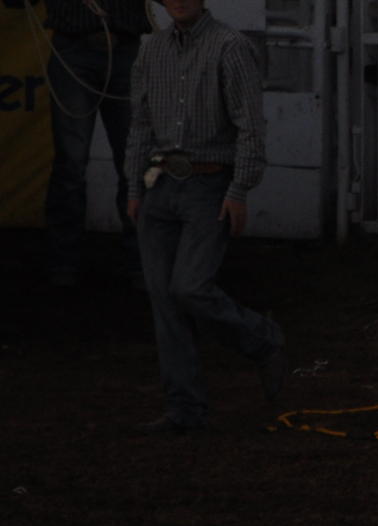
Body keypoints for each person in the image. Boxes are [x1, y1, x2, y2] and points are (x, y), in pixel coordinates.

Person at [124, 0, 286, 436]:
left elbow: (250, 124)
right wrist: (136, 186)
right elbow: (140, 121)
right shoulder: (151, 49)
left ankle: (262, 338)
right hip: (162, 183)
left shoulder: (229, 46)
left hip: (207, 184)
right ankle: (185, 410)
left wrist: (238, 190)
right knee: (165, 300)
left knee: (189, 288)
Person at [41, 0, 151, 289]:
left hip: (123, 51)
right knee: (71, 163)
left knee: (132, 162)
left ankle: (140, 260)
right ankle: (63, 260)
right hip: (76, 50)